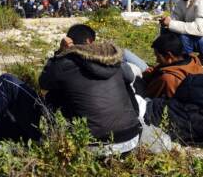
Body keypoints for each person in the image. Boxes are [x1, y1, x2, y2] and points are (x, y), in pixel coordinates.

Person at [39, 24, 141, 153]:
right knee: (124, 83)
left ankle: (49, 139)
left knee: (53, 94)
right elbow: (130, 77)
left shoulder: (64, 63)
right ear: (90, 41)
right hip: (131, 138)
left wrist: (60, 53)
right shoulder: (111, 59)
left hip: (93, 144)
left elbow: (44, 83)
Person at [124, 33, 203, 98]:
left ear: (169, 56)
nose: (156, 60)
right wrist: (153, 70)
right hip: (152, 76)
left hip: (144, 90)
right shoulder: (192, 59)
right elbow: (166, 68)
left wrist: (140, 78)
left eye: (158, 56)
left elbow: (147, 94)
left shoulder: (167, 79)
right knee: (124, 53)